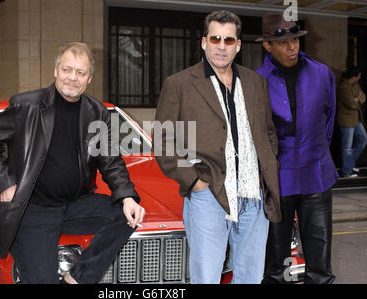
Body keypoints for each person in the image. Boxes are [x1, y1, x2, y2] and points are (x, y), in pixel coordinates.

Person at [0, 42, 145, 284]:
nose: (72, 78)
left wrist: (127, 196)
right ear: (56, 71)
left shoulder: (97, 113)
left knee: (128, 213)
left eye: (80, 72)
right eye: (67, 70)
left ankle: (76, 278)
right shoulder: (27, 106)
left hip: (76, 203)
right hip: (34, 208)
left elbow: (109, 160)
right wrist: (4, 183)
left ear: (89, 79)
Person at [154, 10, 281, 284]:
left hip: (253, 195)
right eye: (215, 39)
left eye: (228, 40)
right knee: (206, 277)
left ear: (238, 45)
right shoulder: (179, 84)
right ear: (204, 42)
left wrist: (266, 168)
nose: (221, 46)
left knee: (250, 276)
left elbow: (268, 132)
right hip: (208, 194)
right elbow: (164, 140)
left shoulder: (256, 83)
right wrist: (194, 181)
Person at [256, 13, 338, 284]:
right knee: (275, 254)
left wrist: (315, 152)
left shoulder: (322, 73)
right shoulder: (256, 82)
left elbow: (328, 121)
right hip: (277, 175)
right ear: (268, 45)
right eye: (284, 43)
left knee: (319, 251)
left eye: (295, 41)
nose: (292, 47)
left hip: (316, 171)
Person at [337, 66, 366, 177]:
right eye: (359, 76)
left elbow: (363, 97)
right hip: (346, 120)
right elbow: (351, 104)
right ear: (355, 76)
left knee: (363, 139)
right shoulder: (344, 86)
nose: (359, 78)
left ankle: (349, 163)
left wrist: (357, 99)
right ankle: (347, 171)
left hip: (356, 118)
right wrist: (357, 99)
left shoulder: (355, 85)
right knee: (347, 147)